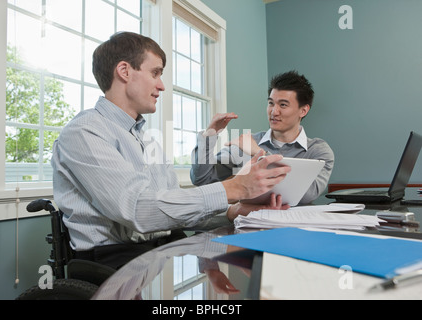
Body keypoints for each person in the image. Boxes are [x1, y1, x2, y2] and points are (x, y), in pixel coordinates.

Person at [51, 32, 290, 270]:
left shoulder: (146, 140)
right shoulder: (84, 132)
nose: (161, 86)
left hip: (163, 248)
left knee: (258, 264)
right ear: (124, 71)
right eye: (155, 73)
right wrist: (234, 187)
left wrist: (233, 211)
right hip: (115, 260)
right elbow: (138, 210)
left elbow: (170, 209)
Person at [190, 71, 334, 205]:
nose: (274, 111)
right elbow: (202, 179)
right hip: (248, 227)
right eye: (271, 103)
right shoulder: (245, 143)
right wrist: (209, 136)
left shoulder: (318, 151)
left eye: (283, 105)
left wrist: (259, 154)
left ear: (303, 110)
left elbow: (307, 195)